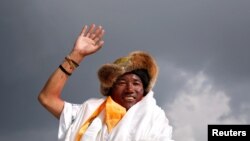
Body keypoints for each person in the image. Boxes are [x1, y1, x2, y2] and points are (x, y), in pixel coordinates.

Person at [38, 24, 174, 141]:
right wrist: (76, 55)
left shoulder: (155, 120)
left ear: (144, 89)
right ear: (110, 87)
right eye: (121, 82)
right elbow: (47, 98)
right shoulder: (87, 114)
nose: (130, 89)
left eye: (136, 83)